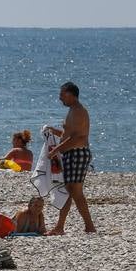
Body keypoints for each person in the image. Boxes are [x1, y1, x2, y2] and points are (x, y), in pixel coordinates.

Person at [45, 81, 96, 235]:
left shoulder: (79, 111)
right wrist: (56, 132)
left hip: (77, 152)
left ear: (71, 95)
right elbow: (69, 135)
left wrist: (56, 150)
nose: (60, 98)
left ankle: (89, 226)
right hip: (71, 153)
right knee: (69, 190)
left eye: (62, 95)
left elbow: (78, 137)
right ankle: (60, 226)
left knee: (75, 190)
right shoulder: (72, 111)